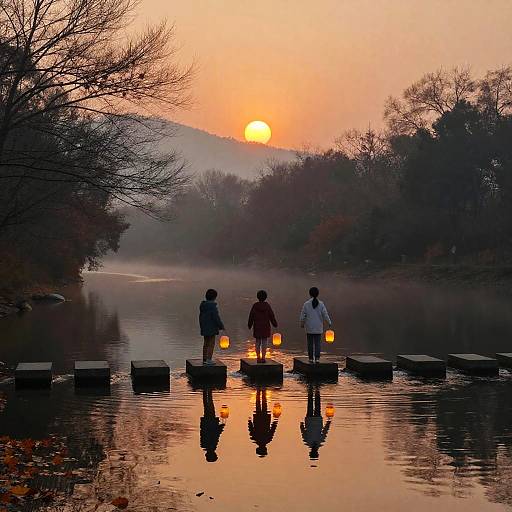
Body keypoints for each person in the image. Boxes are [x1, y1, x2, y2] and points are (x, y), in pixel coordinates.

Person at [300, 286, 332, 363]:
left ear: (309, 294)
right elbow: (325, 314)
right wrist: (329, 322)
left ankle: (310, 358)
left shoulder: (306, 304)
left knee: (310, 343)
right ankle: (317, 358)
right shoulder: (321, 304)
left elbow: (303, 315)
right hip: (318, 327)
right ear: (318, 294)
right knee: (317, 344)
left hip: (309, 327)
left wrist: (302, 323)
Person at [300, 383, 331, 460]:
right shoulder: (319, 441)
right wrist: (328, 423)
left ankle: (312, 389)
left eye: (313, 452)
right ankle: (315, 389)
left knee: (311, 403)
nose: (314, 451)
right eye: (315, 452)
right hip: (316, 419)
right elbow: (324, 432)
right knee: (315, 403)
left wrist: (301, 425)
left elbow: (303, 432)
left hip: (311, 419)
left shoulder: (309, 442)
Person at [247, 290, 278, 363]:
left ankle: (258, 357)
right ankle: (263, 358)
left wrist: (249, 325)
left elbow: (251, 316)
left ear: (257, 297)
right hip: (265, 327)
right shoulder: (267, 306)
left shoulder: (255, 306)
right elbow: (271, 316)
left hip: (257, 327)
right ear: (265, 297)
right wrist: (275, 324)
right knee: (264, 342)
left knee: (257, 342)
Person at [248, 387, 278, 457]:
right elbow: (251, 429)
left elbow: (272, 430)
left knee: (264, 404)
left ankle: (263, 391)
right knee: (258, 403)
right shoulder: (255, 438)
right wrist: (249, 422)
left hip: (265, 419)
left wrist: (275, 422)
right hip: (258, 419)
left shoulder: (268, 439)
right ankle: (259, 390)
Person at [199, 288, 225, 365]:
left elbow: (200, 317)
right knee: (211, 343)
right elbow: (216, 318)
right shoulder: (212, 307)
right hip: (212, 328)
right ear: (214, 297)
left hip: (204, 327)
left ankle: (204, 358)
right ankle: (209, 359)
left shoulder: (203, 306)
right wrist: (221, 326)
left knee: (206, 343)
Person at [200, 387, 225, 462]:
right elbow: (202, 432)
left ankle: (209, 390)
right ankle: (205, 391)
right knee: (206, 406)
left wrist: (221, 427)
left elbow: (216, 434)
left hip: (211, 422)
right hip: (206, 423)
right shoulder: (204, 445)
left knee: (210, 406)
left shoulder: (212, 445)